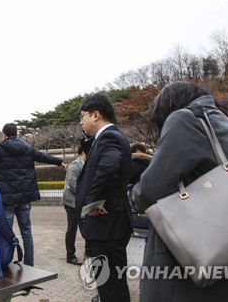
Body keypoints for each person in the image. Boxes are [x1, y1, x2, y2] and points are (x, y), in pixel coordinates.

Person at [131, 81, 228, 302]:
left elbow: (148, 191)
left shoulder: (186, 118)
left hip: (194, 263)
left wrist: (132, 192)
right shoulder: (227, 125)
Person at [0, 123, 67, 266]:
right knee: (27, 232)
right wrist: (59, 162)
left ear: (3, 135)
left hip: (6, 200)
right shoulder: (27, 148)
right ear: (17, 134)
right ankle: (29, 264)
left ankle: (4, 262)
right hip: (24, 199)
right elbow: (43, 156)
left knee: (5, 233)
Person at [76, 93, 133, 302]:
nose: (81, 121)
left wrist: (93, 202)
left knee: (112, 288)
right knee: (108, 284)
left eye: (83, 116)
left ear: (96, 115)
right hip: (107, 224)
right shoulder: (106, 138)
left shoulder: (109, 137)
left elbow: (109, 167)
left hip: (108, 225)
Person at [61, 143, 86, 265]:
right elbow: (71, 183)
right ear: (84, 152)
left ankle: (89, 253)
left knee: (86, 227)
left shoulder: (86, 165)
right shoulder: (75, 165)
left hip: (81, 201)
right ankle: (70, 256)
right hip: (72, 202)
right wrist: (85, 195)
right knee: (72, 228)